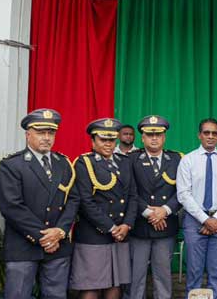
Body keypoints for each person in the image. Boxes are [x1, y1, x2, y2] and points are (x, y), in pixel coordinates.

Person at [0, 109, 78, 299]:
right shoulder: (12, 164)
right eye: (41, 132)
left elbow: (73, 200)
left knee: (56, 296)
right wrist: (45, 237)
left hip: (58, 246)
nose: (47, 138)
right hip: (23, 245)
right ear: (28, 134)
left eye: (51, 133)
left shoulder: (63, 163)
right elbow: (11, 206)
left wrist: (60, 231)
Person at [70, 118, 137, 299]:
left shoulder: (124, 161)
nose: (108, 143)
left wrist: (127, 225)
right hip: (94, 234)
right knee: (91, 286)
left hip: (121, 232)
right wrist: (111, 227)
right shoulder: (84, 162)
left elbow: (132, 196)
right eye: (103, 139)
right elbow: (85, 202)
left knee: (115, 284)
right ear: (93, 141)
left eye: (112, 139)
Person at [177, 118, 217, 299]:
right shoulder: (188, 160)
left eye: (214, 133)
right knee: (194, 271)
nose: (210, 136)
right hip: (194, 221)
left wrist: (216, 219)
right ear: (199, 135)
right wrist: (205, 220)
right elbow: (183, 194)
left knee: (216, 271)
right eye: (206, 133)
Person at [128, 115, 182, 299]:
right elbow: (129, 192)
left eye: (158, 134)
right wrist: (149, 213)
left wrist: (164, 210)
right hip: (140, 226)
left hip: (166, 225)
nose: (154, 138)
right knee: (136, 276)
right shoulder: (131, 159)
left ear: (164, 137)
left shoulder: (176, 159)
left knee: (163, 275)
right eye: (149, 135)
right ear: (142, 138)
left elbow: (183, 191)